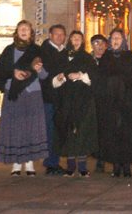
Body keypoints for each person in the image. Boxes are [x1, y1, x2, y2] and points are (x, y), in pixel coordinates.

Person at [0, 20, 48, 176]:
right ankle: (16, 163)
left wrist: (39, 70)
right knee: (15, 128)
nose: (23, 31)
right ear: (17, 32)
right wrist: (11, 78)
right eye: (21, 29)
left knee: (31, 128)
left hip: (33, 94)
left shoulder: (37, 50)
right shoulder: (9, 50)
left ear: (31, 33)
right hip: (14, 93)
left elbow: (45, 75)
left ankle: (29, 164)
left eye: (27, 29)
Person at [98, 28, 132, 177]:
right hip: (111, 104)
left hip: (127, 104)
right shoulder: (106, 57)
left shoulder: (130, 56)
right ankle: (116, 165)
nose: (116, 41)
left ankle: (126, 166)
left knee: (127, 135)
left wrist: (125, 86)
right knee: (113, 135)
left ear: (123, 40)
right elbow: (101, 79)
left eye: (118, 38)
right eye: (113, 38)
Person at [52, 31, 98, 177]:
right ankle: (70, 166)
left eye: (79, 38)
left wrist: (80, 76)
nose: (76, 41)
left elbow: (93, 79)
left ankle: (83, 167)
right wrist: (61, 78)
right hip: (67, 101)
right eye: (74, 38)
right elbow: (55, 81)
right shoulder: (63, 57)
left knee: (82, 132)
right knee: (69, 133)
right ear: (70, 40)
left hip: (83, 101)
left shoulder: (87, 58)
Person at [39, 24, 67, 175]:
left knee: (57, 131)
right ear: (50, 35)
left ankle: (54, 161)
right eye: (56, 34)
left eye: (62, 34)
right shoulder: (44, 51)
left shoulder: (64, 52)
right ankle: (50, 163)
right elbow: (43, 75)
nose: (59, 37)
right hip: (49, 97)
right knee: (50, 130)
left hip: (61, 99)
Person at [90, 34, 108, 173]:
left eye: (102, 43)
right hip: (91, 99)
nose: (100, 46)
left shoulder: (110, 60)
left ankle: (102, 159)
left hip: (106, 99)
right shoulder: (88, 60)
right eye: (97, 43)